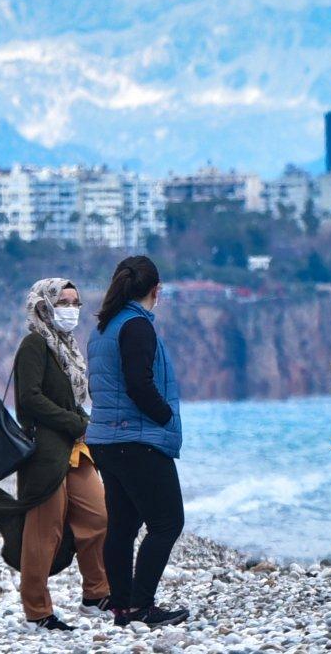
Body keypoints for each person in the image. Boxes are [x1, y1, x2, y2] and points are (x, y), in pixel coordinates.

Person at [0, 279, 110, 631]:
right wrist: (75, 422)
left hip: (74, 449)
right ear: (44, 305)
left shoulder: (66, 347)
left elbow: (71, 399)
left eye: (76, 302)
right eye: (63, 301)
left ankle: (95, 594)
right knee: (43, 532)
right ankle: (37, 611)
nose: (71, 308)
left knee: (97, 516)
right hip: (45, 453)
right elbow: (31, 400)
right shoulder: (34, 344)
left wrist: (82, 422)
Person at [86, 256, 188, 629]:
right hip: (137, 438)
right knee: (167, 523)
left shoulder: (102, 328)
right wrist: (164, 416)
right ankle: (142, 606)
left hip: (105, 439)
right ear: (155, 289)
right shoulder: (137, 327)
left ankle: (122, 608)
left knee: (124, 526)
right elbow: (138, 383)